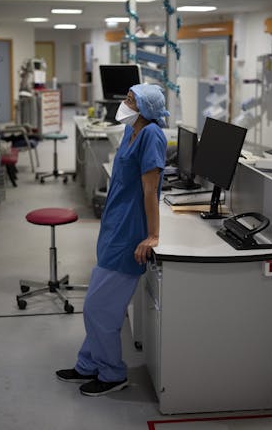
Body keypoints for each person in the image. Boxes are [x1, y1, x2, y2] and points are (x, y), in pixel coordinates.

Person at [56, 83, 169, 397]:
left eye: (131, 100)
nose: (124, 102)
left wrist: (153, 235)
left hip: (128, 233)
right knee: (97, 302)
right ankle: (88, 364)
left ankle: (111, 373)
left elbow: (150, 191)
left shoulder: (151, 135)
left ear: (146, 108)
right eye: (127, 97)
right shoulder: (132, 132)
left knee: (98, 308)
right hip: (114, 228)